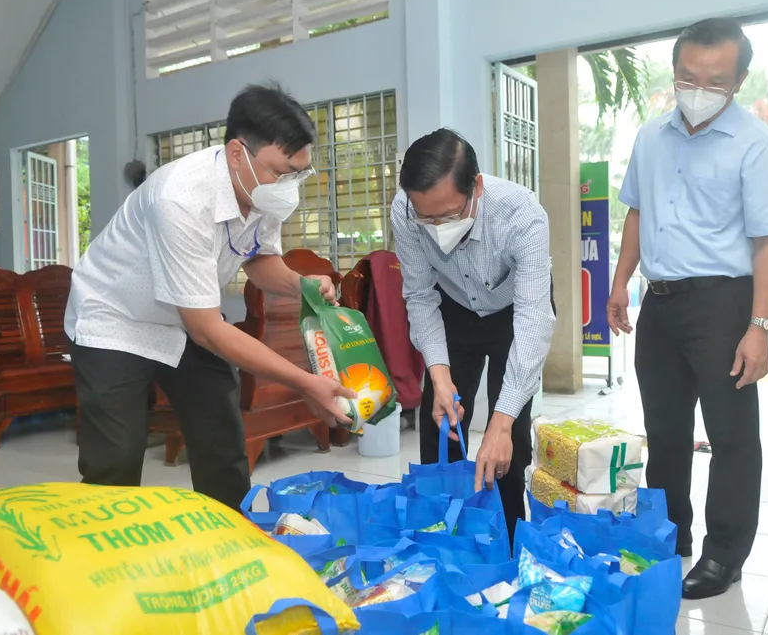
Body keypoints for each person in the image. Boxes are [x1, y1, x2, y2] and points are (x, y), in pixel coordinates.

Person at [64, 83, 354, 511]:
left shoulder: (260, 190)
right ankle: (107, 546)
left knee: (221, 437)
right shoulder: (179, 198)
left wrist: (301, 284)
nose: (289, 184)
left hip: (184, 317)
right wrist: (304, 382)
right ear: (238, 154)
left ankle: (231, 534)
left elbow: (258, 260)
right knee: (116, 459)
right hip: (115, 319)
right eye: (282, 172)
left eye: (299, 173)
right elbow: (207, 330)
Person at [607, 18, 768, 600]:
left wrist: (759, 328)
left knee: (731, 436)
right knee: (664, 432)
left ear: (738, 80)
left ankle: (724, 556)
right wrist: (620, 283)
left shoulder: (758, 146)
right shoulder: (650, 138)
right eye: (688, 77)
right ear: (674, 70)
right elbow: (637, 213)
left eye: (715, 81)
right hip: (659, 304)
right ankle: (670, 535)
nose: (699, 90)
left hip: (723, 304)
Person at [392, 128, 555, 542]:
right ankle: (442, 533)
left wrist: (500, 423)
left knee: (509, 435)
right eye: (426, 218)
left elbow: (534, 318)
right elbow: (419, 295)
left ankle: (508, 538)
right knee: (440, 420)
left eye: (448, 216)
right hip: (453, 308)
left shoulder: (521, 214)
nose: (435, 227)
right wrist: (440, 377)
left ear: (476, 187)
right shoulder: (406, 210)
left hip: (512, 311)